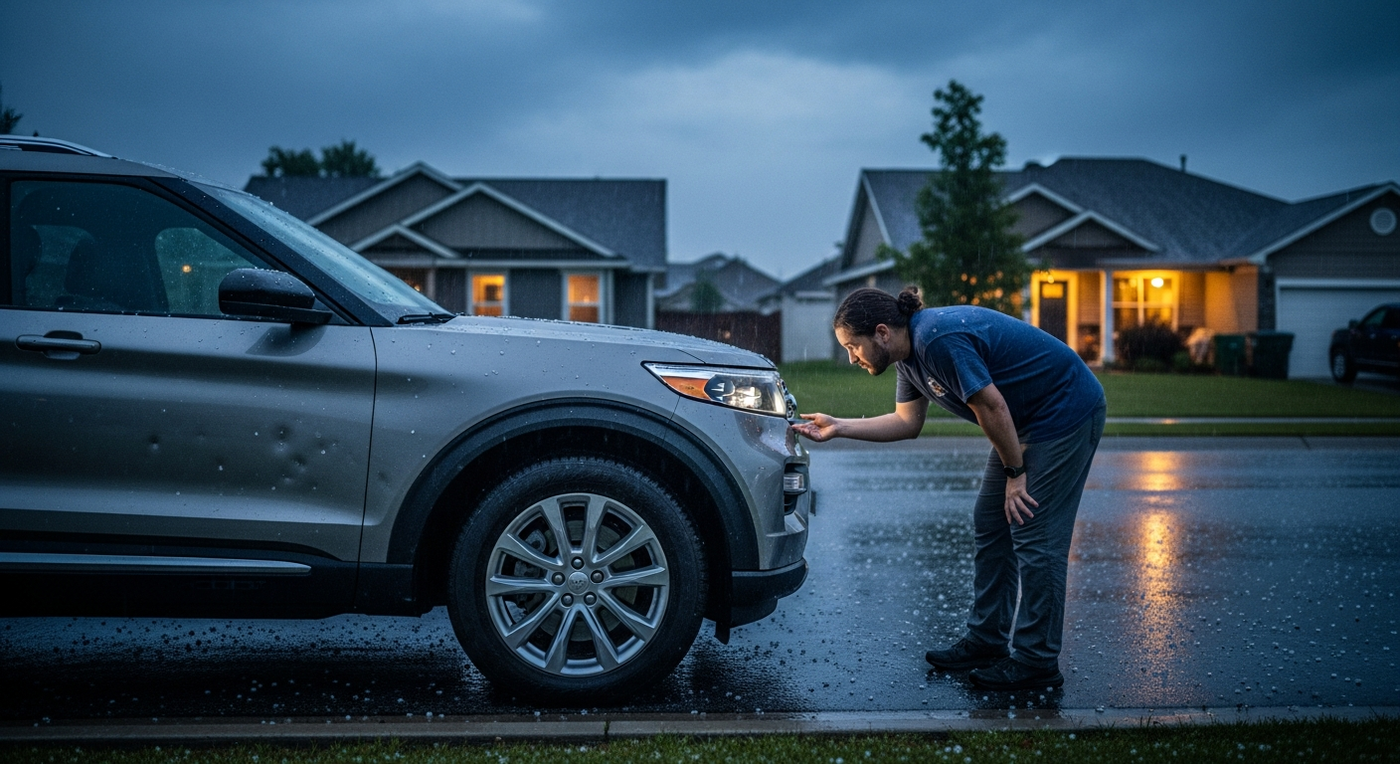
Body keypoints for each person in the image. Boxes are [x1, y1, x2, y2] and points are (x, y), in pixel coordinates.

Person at [791, 286, 1105, 691]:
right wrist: (840, 427)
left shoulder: (936, 339)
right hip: (1023, 422)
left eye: (854, 347)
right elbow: (907, 423)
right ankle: (987, 641)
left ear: (882, 332)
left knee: (1034, 532)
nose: (852, 358)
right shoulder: (909, 359)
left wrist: (1015, 473)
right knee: (992, 522)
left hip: (1064, 413)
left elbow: (992, 406)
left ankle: (1037, 661)